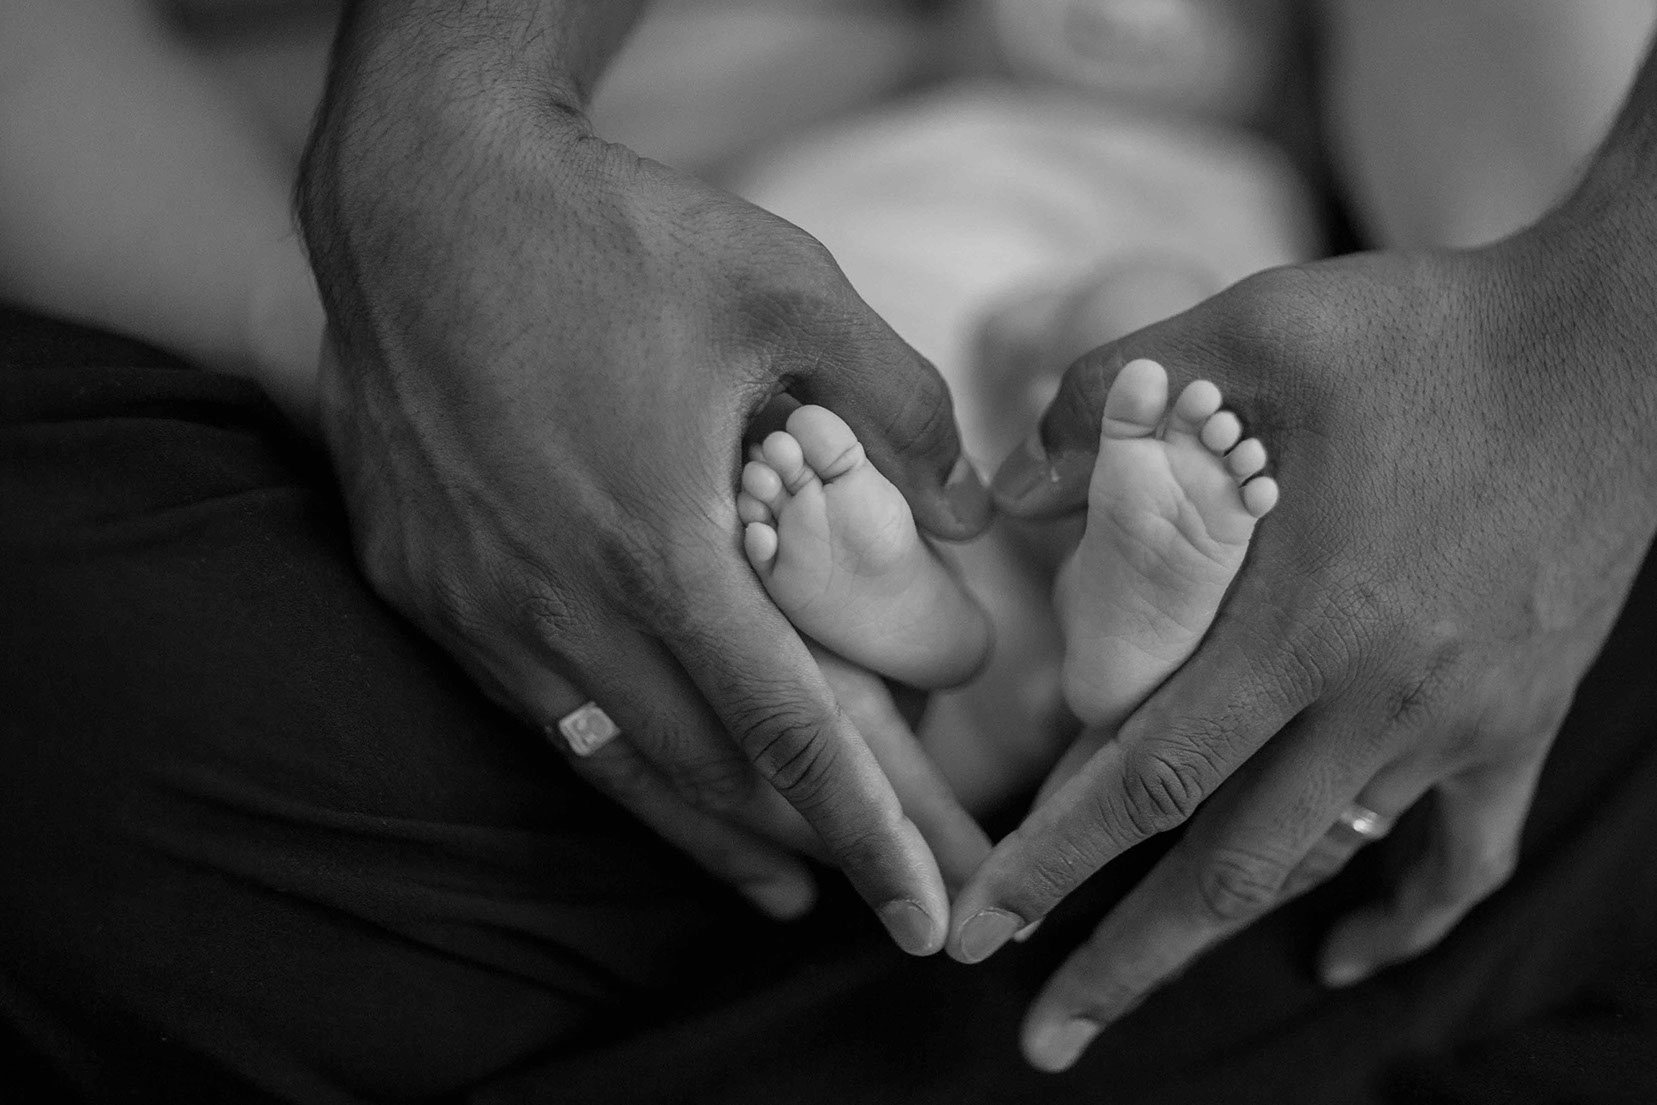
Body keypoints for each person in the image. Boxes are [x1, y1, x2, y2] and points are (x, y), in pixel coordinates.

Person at [6, 2, 1657, 1103]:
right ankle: (1004, 655)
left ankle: (1065, 644)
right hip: (672, 360)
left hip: (1237, 342)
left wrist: (1589, 375)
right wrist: (382, 345)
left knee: (1118, 378)